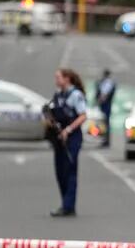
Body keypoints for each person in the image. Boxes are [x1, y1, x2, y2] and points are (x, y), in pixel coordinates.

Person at [46, 68, 88, 217]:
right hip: (59, 136)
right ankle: (65, 202)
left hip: (72, 136)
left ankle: (68, 205)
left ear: (67, 78)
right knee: (60, 171)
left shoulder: (75, 95)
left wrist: (68, 130)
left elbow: (83, 116)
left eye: (58, 77)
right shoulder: (58, 95)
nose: (56, 80)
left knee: (70, 169)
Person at [94, 69, 117, 147]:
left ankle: (106, 140)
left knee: (105, 123)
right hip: (105, 105)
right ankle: (105, 139)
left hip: (106, 105)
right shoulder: (105, 82)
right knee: (104, 123)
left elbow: (104, 94)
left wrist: (99, 100)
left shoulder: (108, 83)